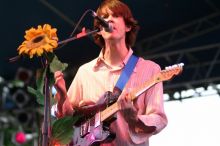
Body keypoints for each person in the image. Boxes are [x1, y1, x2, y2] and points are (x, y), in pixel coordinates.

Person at [54, 0, 168, 145]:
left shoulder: (150, 69)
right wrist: (62, 96)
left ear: (128, 26)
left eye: (115, 15)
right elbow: (68, 119)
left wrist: (134, 118)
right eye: (105, 17)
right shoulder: (85, 72)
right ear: (100, 29)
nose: (108, 20)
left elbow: (159, 119)